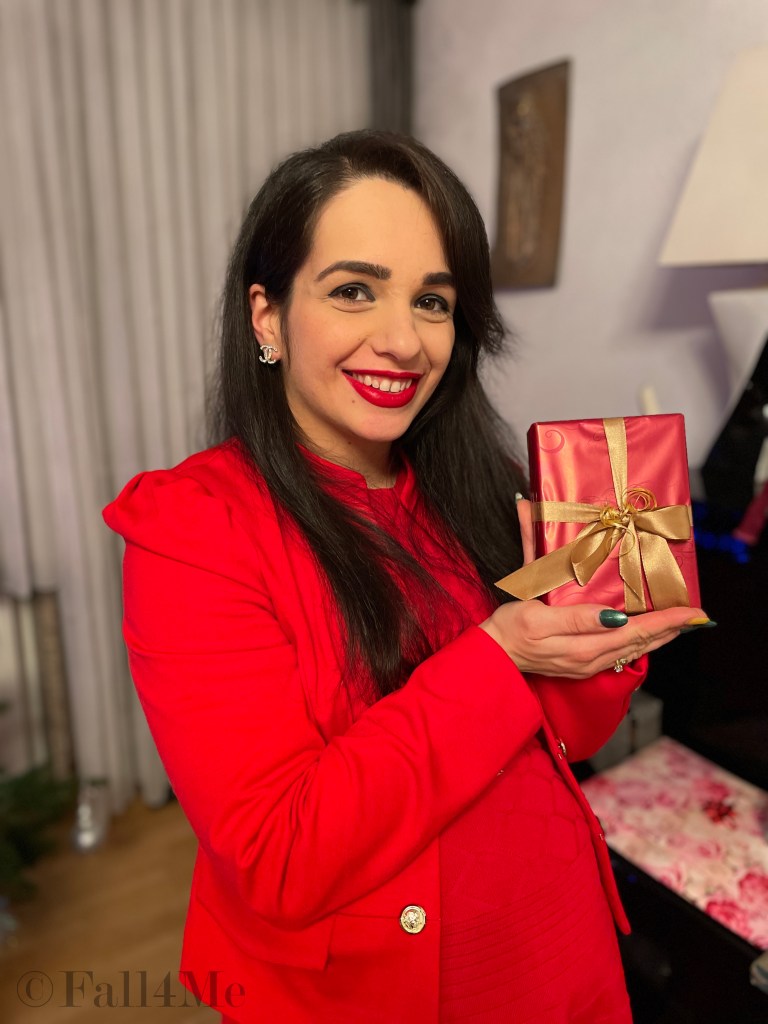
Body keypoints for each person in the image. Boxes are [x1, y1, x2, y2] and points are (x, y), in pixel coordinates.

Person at [103, 130, 707, 1024]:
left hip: (563, 950)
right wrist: (500, 656)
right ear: (267, 316)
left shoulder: (480, 485)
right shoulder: (194, 528)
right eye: (354, 290)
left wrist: (609, 632)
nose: (403, 340)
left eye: (432, 301)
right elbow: (279, 855)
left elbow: (572, 735)